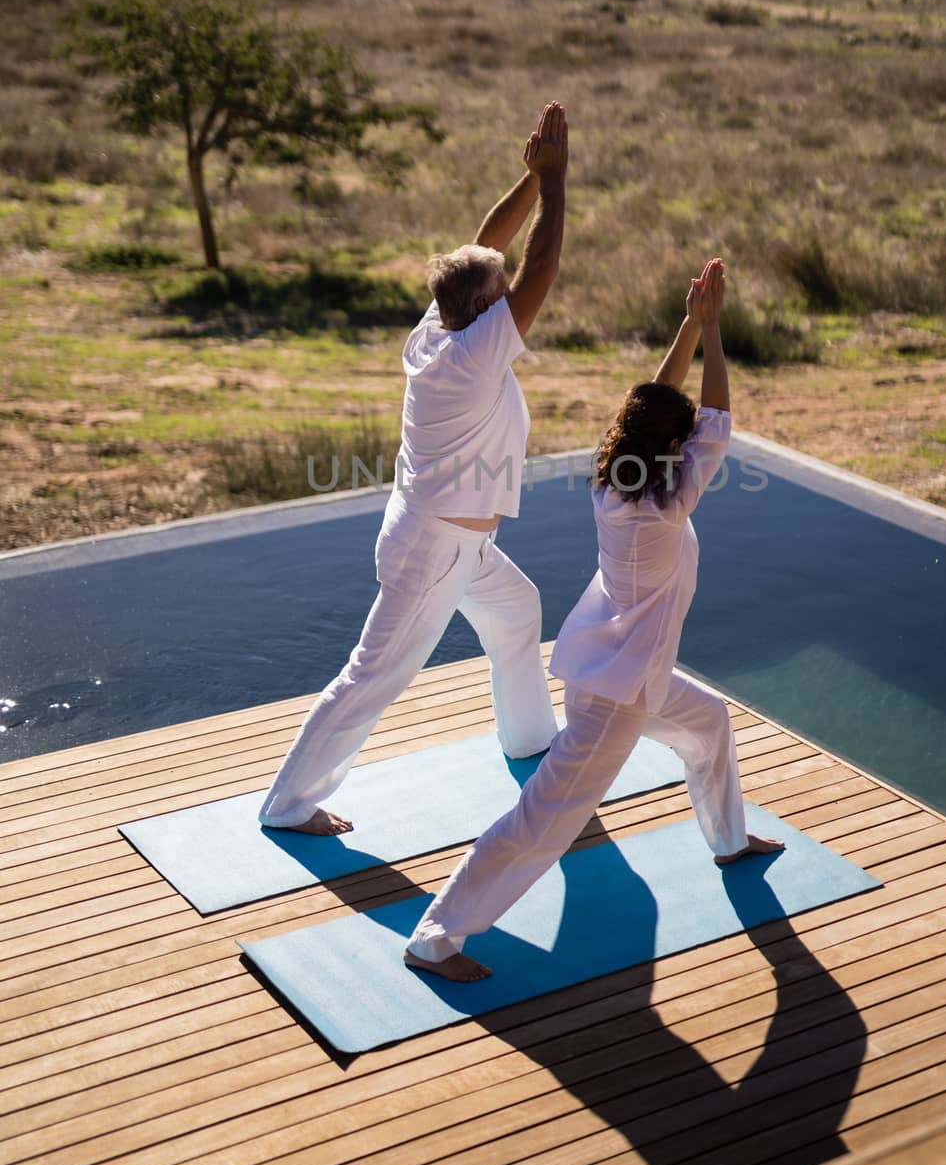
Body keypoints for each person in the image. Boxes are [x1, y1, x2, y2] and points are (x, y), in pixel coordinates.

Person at [404, 256, 784, 980]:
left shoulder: (618, 480)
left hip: (624, 672)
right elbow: (716, 421)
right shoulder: (665, 508)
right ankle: (436, 937)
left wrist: (690, 326)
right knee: (542, 821)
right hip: (615, 697)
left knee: (707, 725)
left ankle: (729, 838)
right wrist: (714, 334)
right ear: (671, 449)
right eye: (682, 437)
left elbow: (659, 405)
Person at [258, 102, 569, 835]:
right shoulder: (472, 357)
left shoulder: (439, 327)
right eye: (500, 295)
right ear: (486, 310)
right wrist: (556, 183)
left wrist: (527, 180)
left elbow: (487, 247)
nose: (509, 299)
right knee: (374, 675)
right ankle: (288, 805)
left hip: (453, 541)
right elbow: (541, 264)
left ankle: (530, 738)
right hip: (434, 550)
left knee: (517, 612)